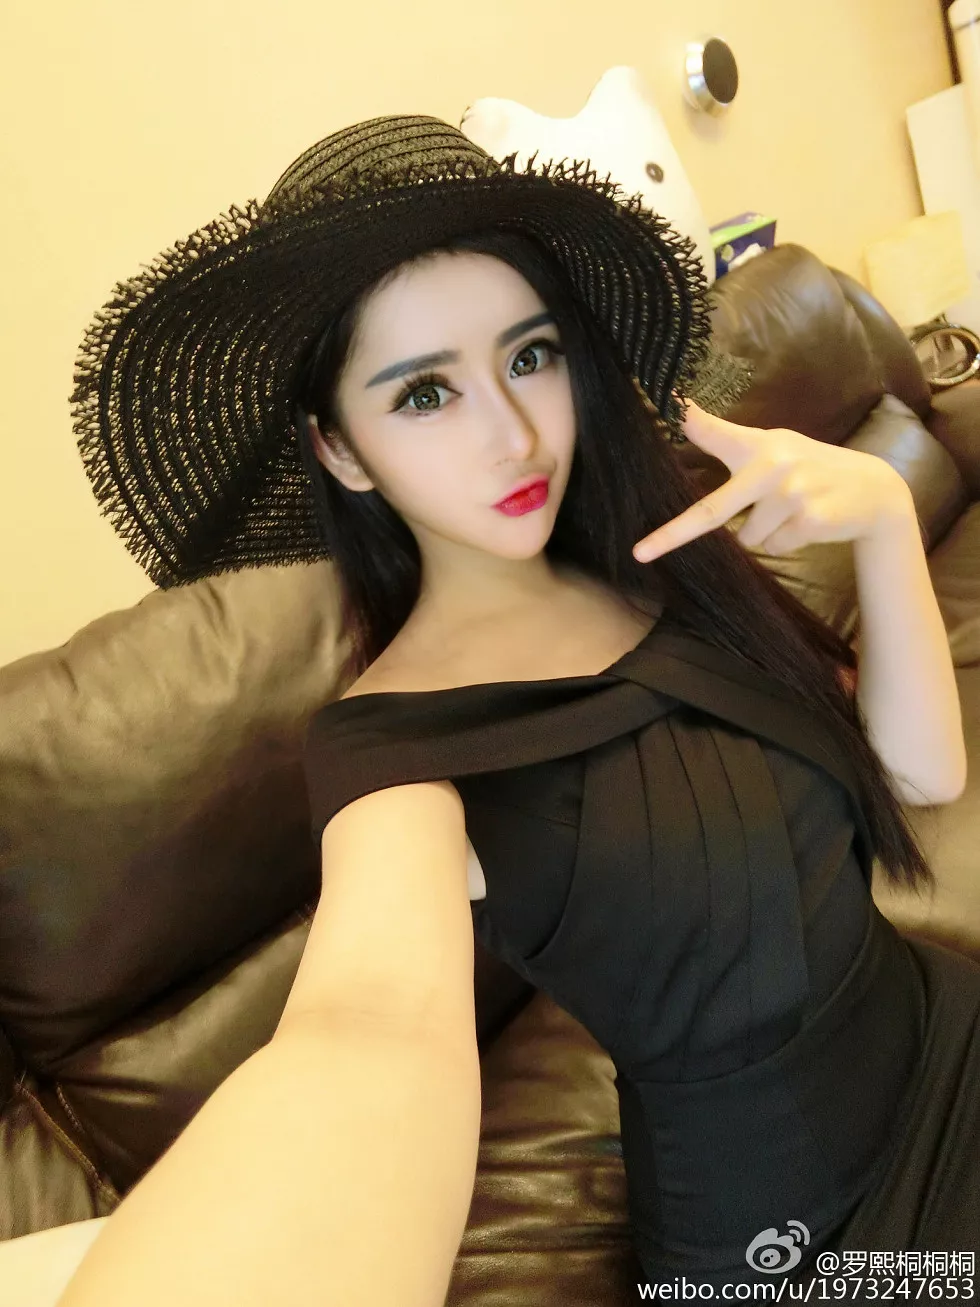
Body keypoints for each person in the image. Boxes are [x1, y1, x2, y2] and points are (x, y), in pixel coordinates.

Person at [7, 113, 976, 1303]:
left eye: (528, 357)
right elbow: (363, 1028)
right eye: (424, 393)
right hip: (802, 1238)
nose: (514, 434)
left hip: (945, 1031)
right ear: (340, 449)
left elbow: (918, 778)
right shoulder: (392, 750)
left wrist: (880, 514)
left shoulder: (660, 554)